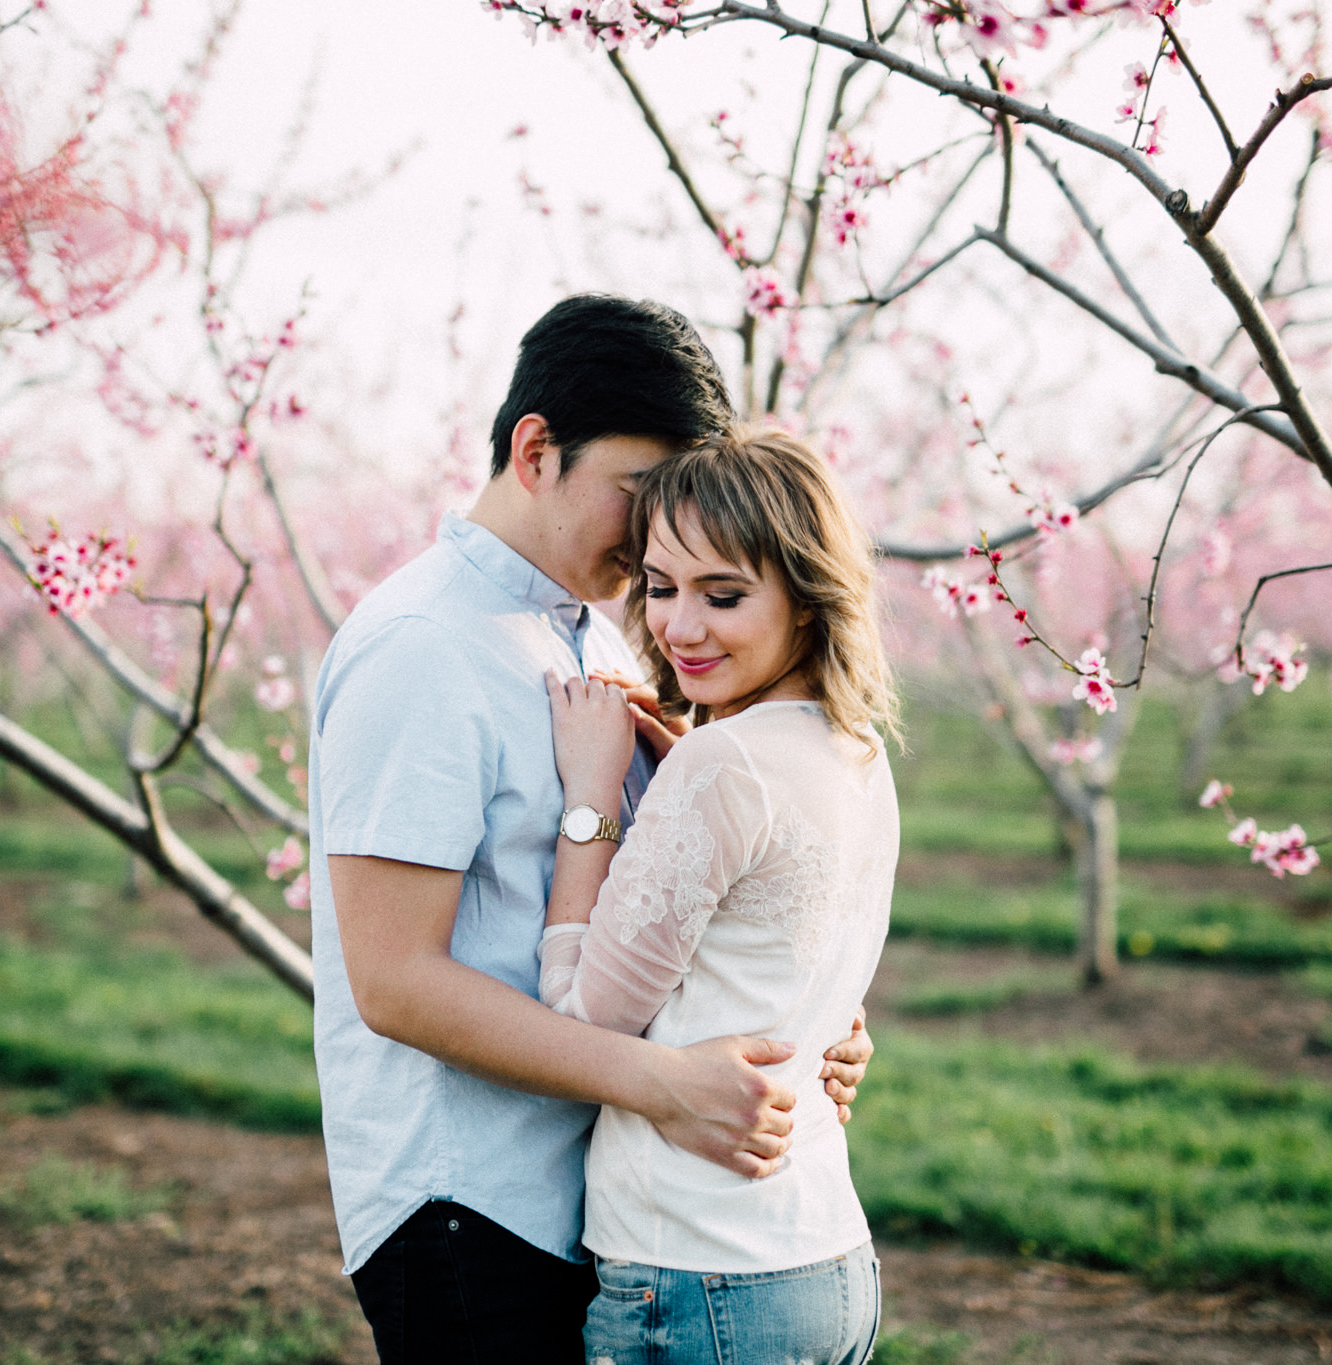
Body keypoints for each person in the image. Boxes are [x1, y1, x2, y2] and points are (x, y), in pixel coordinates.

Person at [307, 294, 873, 1364]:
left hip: (603, 1200)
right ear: (535, 451)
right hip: (468, 1205)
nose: (660, 533)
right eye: (637, 491)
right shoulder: (422, 647)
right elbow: (393, 982)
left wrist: (804, 1026)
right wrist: (663, 1083)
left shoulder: (603, 647)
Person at [540, 426, 901, 1365]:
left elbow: (582, 1021)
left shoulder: (722, 763)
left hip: (695, 1274)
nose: (679, 626)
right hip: (828, 1261)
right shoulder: (860, 753)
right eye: (660, 587)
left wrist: (591, 798)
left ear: (809, 596)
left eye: (724, 594)